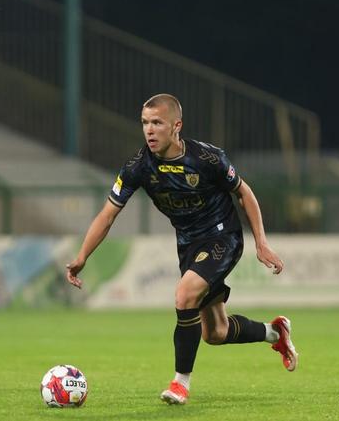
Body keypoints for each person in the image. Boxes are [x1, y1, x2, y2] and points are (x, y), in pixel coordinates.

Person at [65, 94, 297, 405]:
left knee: (184, 294)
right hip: (188, 245)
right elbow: (107, 215)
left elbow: (244, 193)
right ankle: (275, 333)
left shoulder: (207, 159)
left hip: (222, 237)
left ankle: (179, 384)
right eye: (145, 123)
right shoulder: (138, 167)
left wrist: (262, 243)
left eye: (157, 123)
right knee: (215, 332)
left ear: (176, 126)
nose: (149, 130)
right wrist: (82, 256)